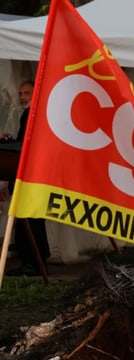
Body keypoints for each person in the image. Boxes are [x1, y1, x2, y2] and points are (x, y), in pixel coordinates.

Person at [5, 80, 51, 276]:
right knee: (28, 217)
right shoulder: (28, 114)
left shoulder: (35, 115)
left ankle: (34, 261)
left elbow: (29, 145)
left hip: (33, 174)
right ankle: (31, 259)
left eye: (26, 93)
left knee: (31, 218)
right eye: (21, 93)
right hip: (28, 172)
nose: (22, 97)